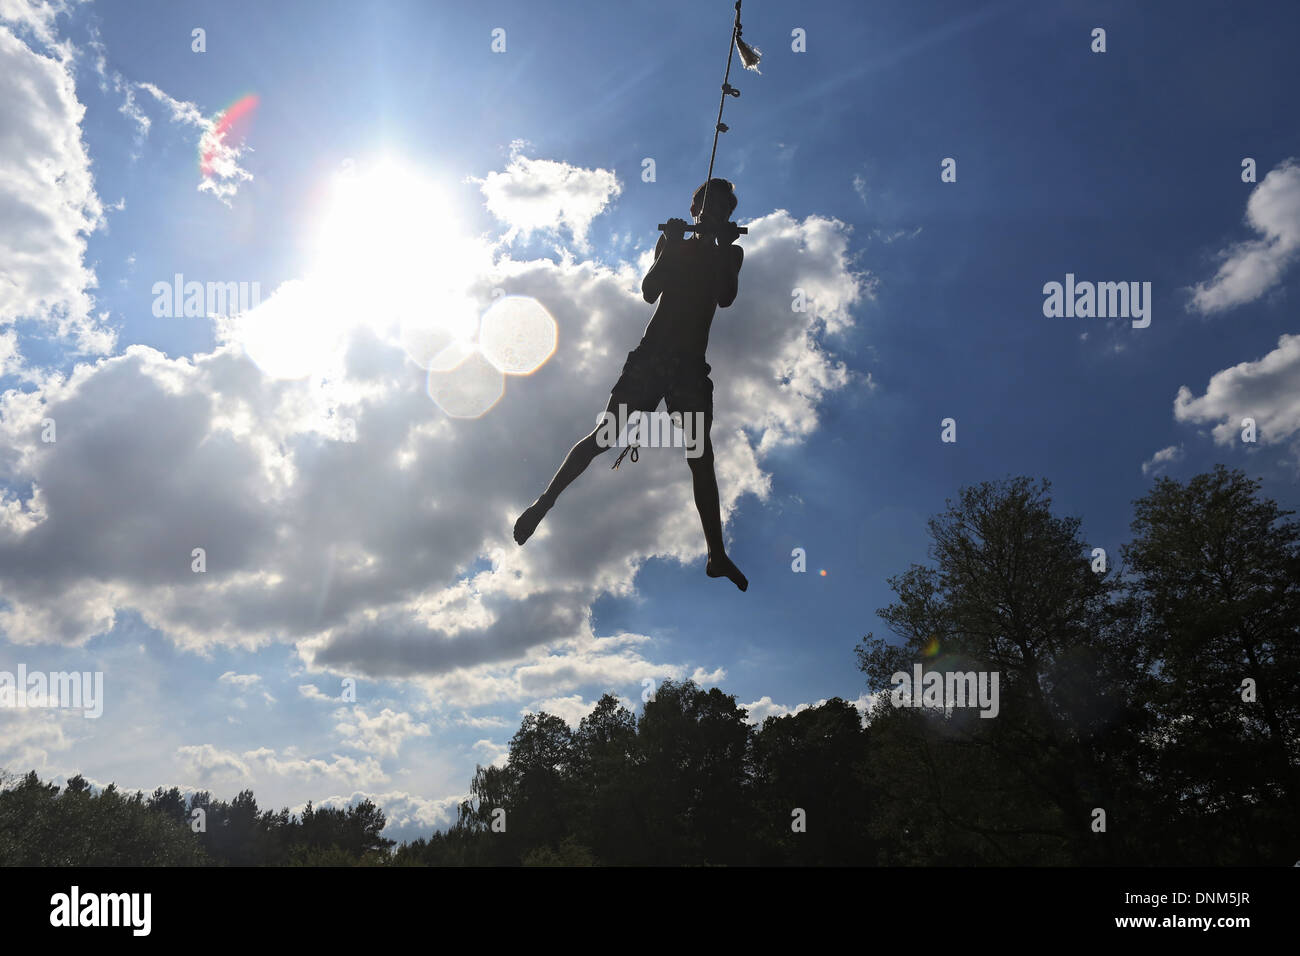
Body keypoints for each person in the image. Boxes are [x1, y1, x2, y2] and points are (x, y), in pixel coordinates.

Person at [512, 178, 748, 591]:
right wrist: (672, 247)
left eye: (723, 208)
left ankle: (716, 552)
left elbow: (726, 298)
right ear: (695, 210)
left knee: (700, 455)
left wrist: (722, 249)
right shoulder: (674, 244)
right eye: (708, 205)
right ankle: (543, 502)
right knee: (605, 435)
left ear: (729, 216)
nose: (714, 213)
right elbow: (649, 289)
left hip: (690, 367)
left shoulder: (731, 253)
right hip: (652, 357)